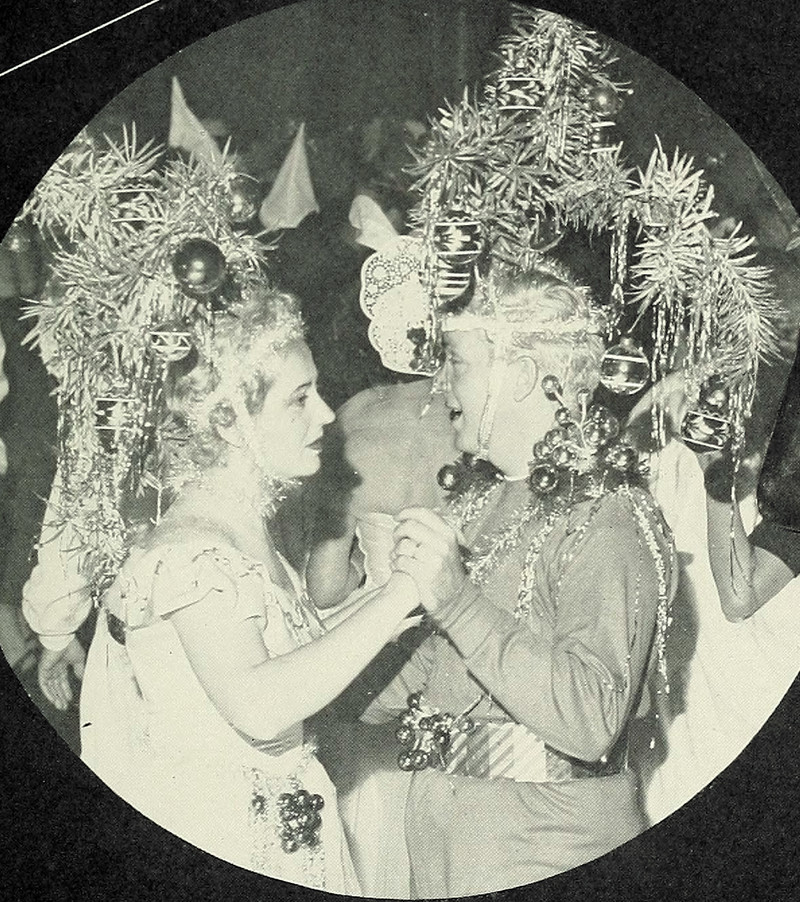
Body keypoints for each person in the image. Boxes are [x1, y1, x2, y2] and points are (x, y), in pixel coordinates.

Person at [72, 284, 421, 892]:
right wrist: (398, 594)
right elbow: (259, 706)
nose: (326, 414)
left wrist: (396, 606)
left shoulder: (242, 535)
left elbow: (287, 652)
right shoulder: (193, 554)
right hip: (225, 832)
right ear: (229, 421)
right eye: (299, 398)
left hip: (280, 825)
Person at [359, 268, 677, 897]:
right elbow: (416, 680)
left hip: (547, 850)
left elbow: (592, 719)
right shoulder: (482, 503)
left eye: (457, 361)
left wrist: (455, 601)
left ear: (524, 376)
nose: (440, 383)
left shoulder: (609, 514)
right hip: (448, 849)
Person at [303, 376, 456, 898]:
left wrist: (362, 571)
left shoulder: (355, 416)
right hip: (452, 635)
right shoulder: (472, 417)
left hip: (374, 641)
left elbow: (325, 587)